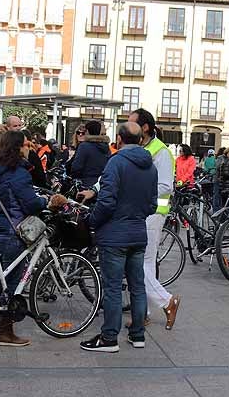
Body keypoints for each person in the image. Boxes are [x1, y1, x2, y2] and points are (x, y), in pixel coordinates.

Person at [81, 122, 159, 353]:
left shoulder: (116, 162)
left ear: (119, 138)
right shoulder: (150, 166)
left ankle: (109, 338)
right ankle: (137, 335)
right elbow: (153, 204)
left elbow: (106, 201)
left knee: (113, 287)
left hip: (114, 235)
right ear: (141, 139)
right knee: (136, 286)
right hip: (138, 232)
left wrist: (93, 221)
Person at [0, 131, 66, 347]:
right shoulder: (18, 172)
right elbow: (29, 204)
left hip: (0, 226)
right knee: (11, 283)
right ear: (17, 147)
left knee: (1, 279)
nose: (29, 148)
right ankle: (4, 333)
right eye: (26, 145)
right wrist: (47, 203)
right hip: (15, 229)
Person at [128, 109, 181, 329]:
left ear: (145, 127)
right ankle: (144, 312)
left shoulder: (160, 151)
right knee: (144, 264)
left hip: (152, 214)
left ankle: (166, 300)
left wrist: (137, 192)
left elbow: (166, 185)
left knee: (140, 264)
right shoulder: (141, 148)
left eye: (132, 123)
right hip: (142, 213)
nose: (127, 127)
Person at [66, 120, 110, 189]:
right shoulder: (106, 147)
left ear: (88, 131)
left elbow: (76, 167)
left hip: (85, 184)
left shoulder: (84, 146)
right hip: (101, 185)